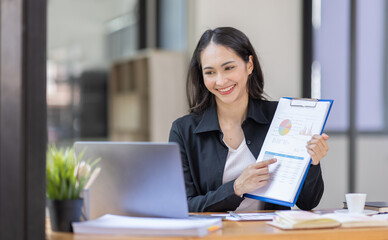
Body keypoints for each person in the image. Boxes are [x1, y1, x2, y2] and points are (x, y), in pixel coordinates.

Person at [169, 27, 329, 212]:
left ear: (249, 65)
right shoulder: (184, 130)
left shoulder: (282, 117)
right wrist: (236, 188)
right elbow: (182, 206)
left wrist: (312, 162)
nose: (220, 81)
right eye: (210, 72)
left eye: (229, 68)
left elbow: (308, 202)